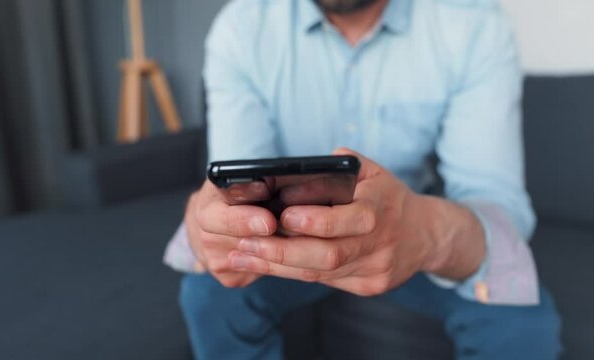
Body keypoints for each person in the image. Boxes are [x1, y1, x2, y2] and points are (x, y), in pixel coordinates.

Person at [164, 0, 562, 359]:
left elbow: (494, 202)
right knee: (209, 296)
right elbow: (234, 186)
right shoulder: (242, 28)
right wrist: (211, 227)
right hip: (283, 233)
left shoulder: (473, 25)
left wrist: (425, 231)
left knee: (520, 320)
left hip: (408, 225)